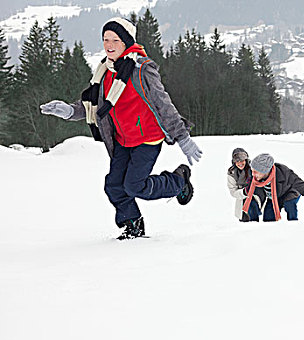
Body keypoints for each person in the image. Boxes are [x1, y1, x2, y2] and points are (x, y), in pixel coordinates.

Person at [40, 17, 202, 240]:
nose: (109, 44)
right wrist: (68, 111)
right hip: (122, 141)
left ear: (126, 42)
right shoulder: (104, 72)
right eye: (105, 39)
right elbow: (94, 104)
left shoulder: (142, 69)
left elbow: (163, 103)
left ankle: (178, 181)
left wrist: (182, 136)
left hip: (147, 139)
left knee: (135, 186)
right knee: (114, 186)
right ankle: (132, 225)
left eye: (115, 39)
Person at [243, 153, 304, 221]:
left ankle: (294, 226)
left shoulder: (285, 173)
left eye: (255, 172)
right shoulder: (255, 178)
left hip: (290, 193)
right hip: (274, 197)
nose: (252, 174)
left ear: (265, 171)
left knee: (290, 206)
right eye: (252, 171)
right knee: (268, 219)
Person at [226, 148, 261, 222]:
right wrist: (244, 192)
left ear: (246, 160)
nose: (240, 163)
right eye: (237, 161)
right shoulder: (232, 173)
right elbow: (233, 191)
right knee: (244, 224)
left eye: (242, 160)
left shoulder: (254, 169)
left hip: (256, 198)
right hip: (242, 201)